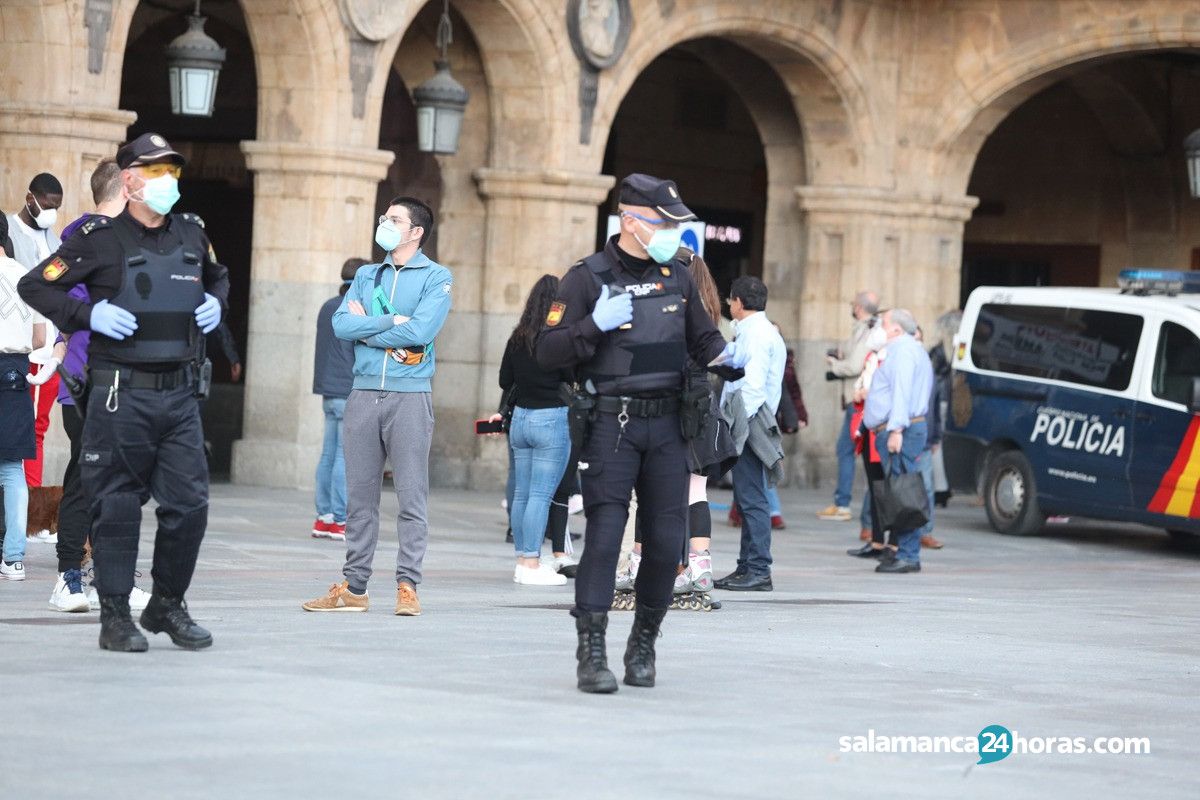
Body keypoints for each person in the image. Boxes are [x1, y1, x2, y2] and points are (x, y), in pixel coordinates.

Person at [18, 132, 230, 651]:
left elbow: (218, 278)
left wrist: (217, 304)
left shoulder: (191, 234)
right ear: (130, 179)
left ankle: (167, 604)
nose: (167, 180)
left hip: (180, 396)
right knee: (114, 508)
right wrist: (88, 314)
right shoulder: (97, 238)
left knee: (190, 505)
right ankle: (115, 616)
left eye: (172, 170)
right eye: (156, 171)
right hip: (119, 395)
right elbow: (35, 286)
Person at [538, 173, 746, 693]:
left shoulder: (677, 275)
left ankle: (644, 641)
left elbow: (702, 339)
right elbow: (545, 351)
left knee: (663, 541)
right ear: (631, 220)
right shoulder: (586, 279)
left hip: (670, 426)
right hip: (613, 423)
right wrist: (593, 326)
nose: (676, 233)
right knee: (605, 537)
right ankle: (591, 649)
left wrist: (727, 357)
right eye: (666, 223)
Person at [302, 197, 452, 617]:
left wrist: (369, 328)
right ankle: (354, 586)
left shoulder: (437, 277)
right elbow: (342, 325)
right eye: (384, 217)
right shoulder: (367, 275)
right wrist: (390, 324)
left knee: (411, 496)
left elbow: (423, 330)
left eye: (394, 219)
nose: (384, 223)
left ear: (416, 231)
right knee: (359, 497)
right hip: (363, 393)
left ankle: (408, 585)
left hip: (410, 395)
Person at [47, 157, 151, 613]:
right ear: (125, 191)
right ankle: (69, 578)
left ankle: (114, 578)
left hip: (123, 381)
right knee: (87, 481)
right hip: (89, 381)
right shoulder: (87, 241)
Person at [499, 275, 574, 585]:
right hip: (551, 418)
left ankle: (522, 559)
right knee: (541, 495)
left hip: (521, 419)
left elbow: (505, 380)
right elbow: (571, 375)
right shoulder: (559, 337)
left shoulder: (518, 337)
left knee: (522, 494)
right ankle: (531, 563)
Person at [713, 276, 786, 592]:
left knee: (753, 499)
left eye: (730, 301)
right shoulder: (757, 331)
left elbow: (751, 388)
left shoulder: (755, 335)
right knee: (747, 497)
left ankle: (757, 569)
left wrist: (734, 427)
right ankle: (747, 567)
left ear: (738, 303)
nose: (729, 306)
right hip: (751, 415)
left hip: (749, 418)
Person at [862, 309, 933, 574]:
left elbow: (902, 393)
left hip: (901, 430)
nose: (879, 327)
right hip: (901, 428)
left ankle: (908, 554)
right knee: (901, 490)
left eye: (884, 323)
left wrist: (896, 430)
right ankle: (904, 550)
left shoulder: (904, 351)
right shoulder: (908, 350)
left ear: (896, 330)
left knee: (904, 492)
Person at [8, 172, 65, 488]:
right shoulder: (11, 234)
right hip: (21, 347)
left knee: (36, 428)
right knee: (23, 430)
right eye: (46, 204)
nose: (51, 211)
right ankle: (25, 510)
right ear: (30, 198)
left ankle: (30, 507)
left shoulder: (55, 241)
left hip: (48, 351)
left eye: (57, 206)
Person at [309, 257, 365, 542]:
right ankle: (341, 519)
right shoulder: (354, 309)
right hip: (348, 390)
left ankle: (324, 517)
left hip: (328, 390)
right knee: (344, 456)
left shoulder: (327, 306)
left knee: (328, 453)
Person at [0, 250, 47, 580]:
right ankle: (14, 558)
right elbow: (41, 337)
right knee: (13, 468)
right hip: (15, 371)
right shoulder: (27, 277)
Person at [817, 290, 879, 523]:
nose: (852, 306)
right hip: (859, 400)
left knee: (847, 449)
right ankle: (844, 503)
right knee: (852, 450)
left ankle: (843, 504)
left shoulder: (868, 330)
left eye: (853, 303)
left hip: (860, 401)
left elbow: (854, 366)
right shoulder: (865, 329)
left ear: (859, 308)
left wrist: (835, 364)